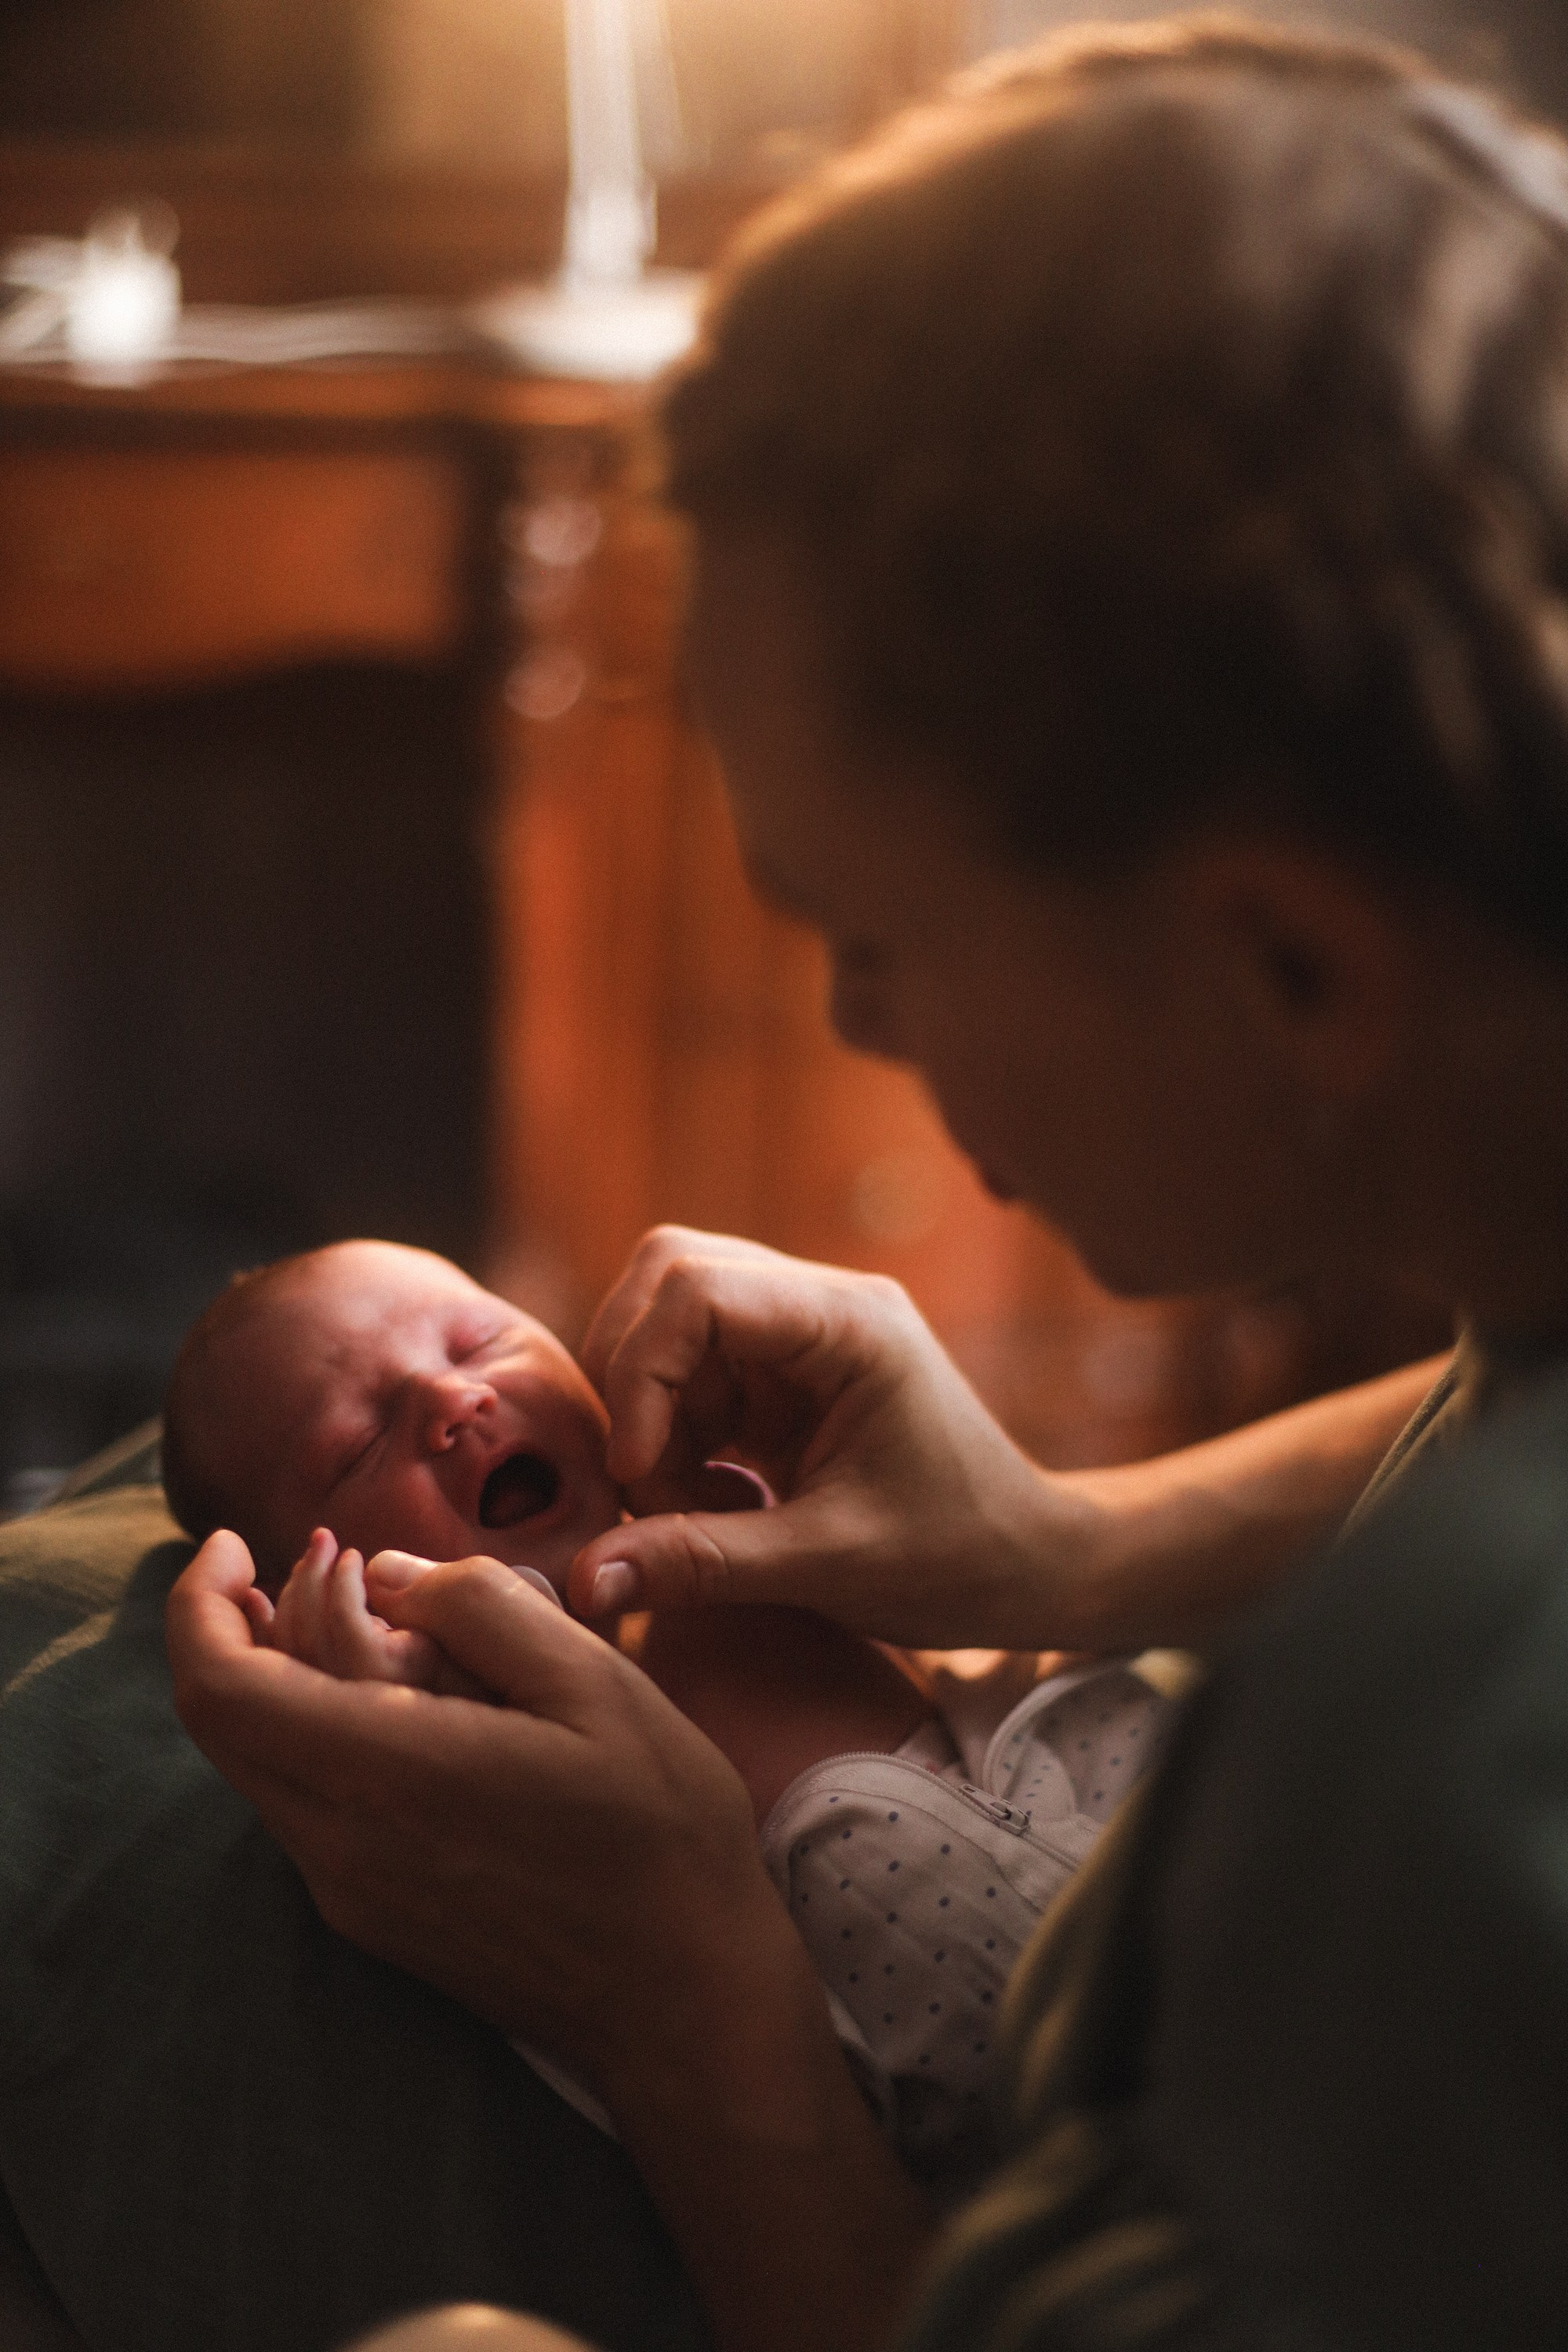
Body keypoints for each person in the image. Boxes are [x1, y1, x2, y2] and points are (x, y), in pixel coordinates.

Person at [164, 13, 1568, 2350]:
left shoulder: (1437, 1780)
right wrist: (1068, 1538)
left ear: (1290, 961)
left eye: (881, 941)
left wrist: (684, 1998)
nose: (852, 1033)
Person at [162, 1236, 1172, 2191]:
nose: (452, 1397)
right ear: (323, 1602)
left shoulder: (748, 1510)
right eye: (357, 1447)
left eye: (481, 1338)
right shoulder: (488, 1789)